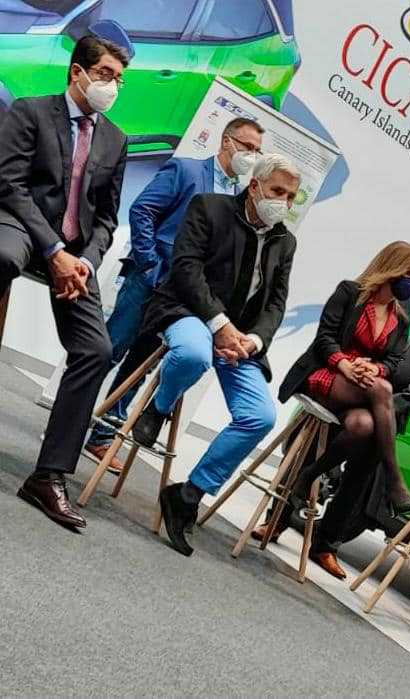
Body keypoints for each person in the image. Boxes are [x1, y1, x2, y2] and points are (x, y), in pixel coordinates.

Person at [130, 153, 300, 557]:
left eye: (291, 196)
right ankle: (159, 407)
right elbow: (186, 270)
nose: (284, 202)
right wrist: (219, 323)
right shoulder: (209, 207)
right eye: (278, 191)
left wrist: (253, 341)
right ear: (255, 186)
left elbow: (276, 303)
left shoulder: (285, 241)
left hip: (240, 341)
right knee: (193, 354)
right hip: (189, 312)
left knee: (260, 417)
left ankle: (188, 495)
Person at [0, 36, 130, 529]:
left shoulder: (116, 139)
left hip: (76, 255)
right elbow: (10, 185)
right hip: (23, 227)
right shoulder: (32, 112)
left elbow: (108, 219)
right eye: (105, 74)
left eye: (118, 79)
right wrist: (53, 250)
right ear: (78, 72)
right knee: (2, 256)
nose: (112, 85)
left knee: (96, 350)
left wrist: (86, 264)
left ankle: (48, 475)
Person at [84, 117, 265, 471]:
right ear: (226, 142)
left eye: (258, 151)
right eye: (247, 147)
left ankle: (102, 436)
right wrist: (150, 264)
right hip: (149, 281)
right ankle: (71, 417)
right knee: (109, 349)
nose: (252, 155)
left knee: (140, 365)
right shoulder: (186, 170)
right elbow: (142, 210)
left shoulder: (239, 200)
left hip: (182, 299)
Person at [295, 245, 410, 579]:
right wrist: (361, 374)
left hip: (387, 409)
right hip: (347, 385)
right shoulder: (388, 296)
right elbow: (340, 339)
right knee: (313, 448)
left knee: (358, 478)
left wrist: (389, 405)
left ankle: (326, 545)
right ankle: (279, 518)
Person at [277, 241, 410, 523]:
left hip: (361, 386)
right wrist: (345, 365)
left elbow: (393, 361)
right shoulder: (350, 292)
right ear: (392, 267)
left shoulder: (400, 319)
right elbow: (325, 337)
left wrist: (373, 368)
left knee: (363, 425)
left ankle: (309, 475)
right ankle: (394, 480)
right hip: (327, 373)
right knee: (383, 389)